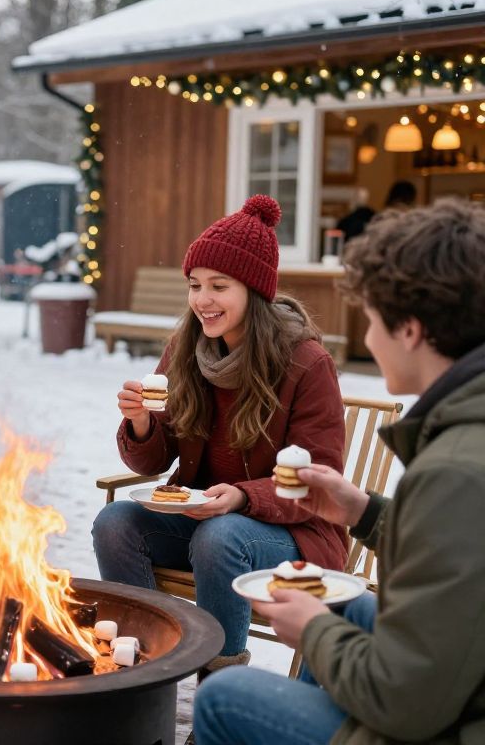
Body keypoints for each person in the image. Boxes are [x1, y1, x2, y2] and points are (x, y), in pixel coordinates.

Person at [193, 197, 485, 745]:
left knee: (223, 697)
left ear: (412, 331)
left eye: (372, 321)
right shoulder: (467, 438)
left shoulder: (455, 468)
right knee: (353, 608)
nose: (369, 341)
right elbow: (464, 550)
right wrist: (366, 513)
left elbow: (407, 704)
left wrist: (314, 631)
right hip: (459, 676)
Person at [92, 195, 347, 677]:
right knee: (116, 523)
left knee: (220, 536)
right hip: (206, 517)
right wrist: (142, 424)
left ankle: (220, 683)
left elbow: (318, 482)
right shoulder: (186, 349)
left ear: (254, 289)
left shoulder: (306, 363)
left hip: (293, 534)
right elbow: (151, 464)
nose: (202, 300)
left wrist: (242, 498)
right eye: (194, 285)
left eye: (219, 286)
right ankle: (145, 667)